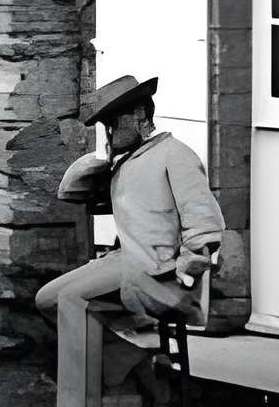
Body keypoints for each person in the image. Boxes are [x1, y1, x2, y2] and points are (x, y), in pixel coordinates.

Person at [37, 74, 224, 398]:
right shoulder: (125, 164)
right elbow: (70, 191)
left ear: (140, 115)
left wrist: (187, 269)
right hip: (126, 260)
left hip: (161, 271)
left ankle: (77, 402)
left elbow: (203, 221)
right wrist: (104, 156)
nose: (109, 131)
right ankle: (134, 359)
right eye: (105, 125)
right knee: (47, 299)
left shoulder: (174, 153)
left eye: (114, 122)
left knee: (72, 299)